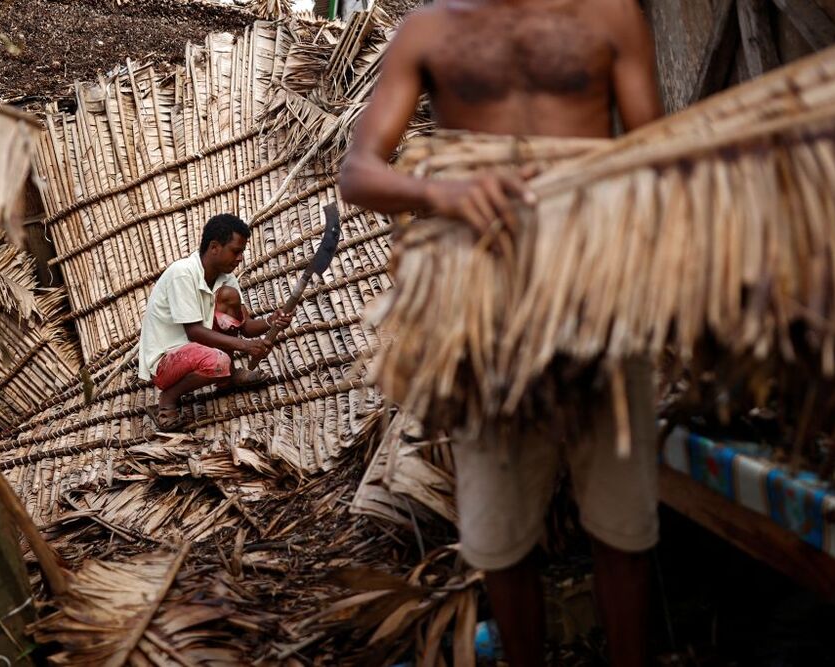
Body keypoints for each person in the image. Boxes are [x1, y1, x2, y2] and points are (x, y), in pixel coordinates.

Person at [340, 1, 662, 665]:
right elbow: (359, 171)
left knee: (623, 528)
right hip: (486, 310)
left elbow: (656, 156)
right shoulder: (430, 29)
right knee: (501, 535)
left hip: (599, 290)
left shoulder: (611, 15)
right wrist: (441, 195)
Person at [138, 214, 293, 430]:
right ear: (214, 247)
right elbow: (194, 333)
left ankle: (225, 380)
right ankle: (167, 401)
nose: (240, 258)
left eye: (242, 253)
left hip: (198, 351)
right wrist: (246, 347)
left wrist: (271, 322)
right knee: (218, 361)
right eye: (235, 251)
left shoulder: (226, 279)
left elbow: (245, 327)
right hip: (167, 361)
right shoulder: (182, 273)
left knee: (228, 296)